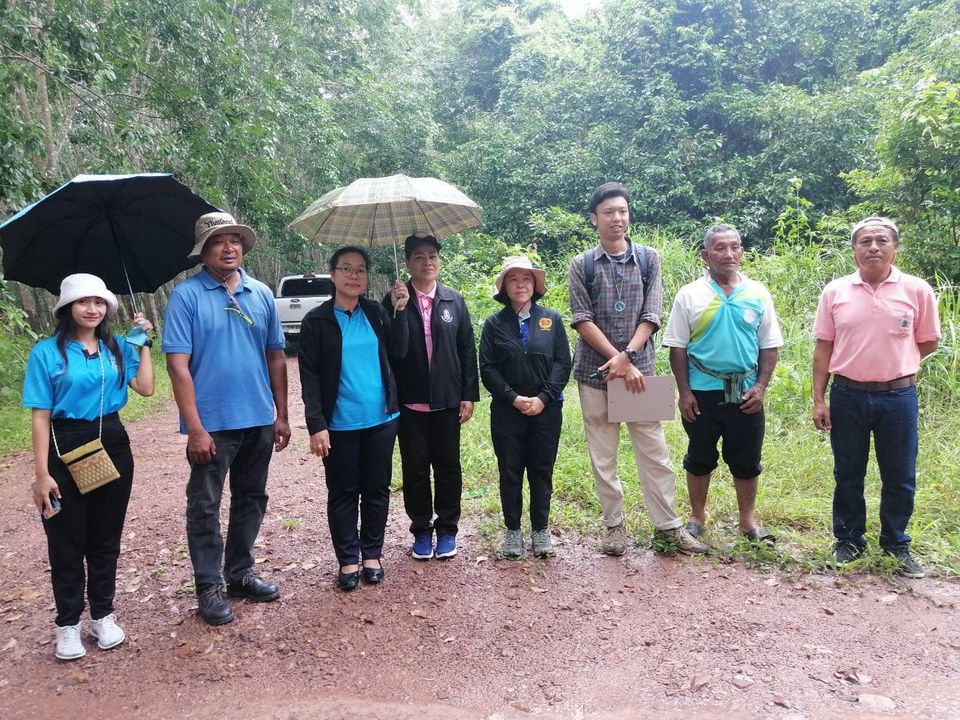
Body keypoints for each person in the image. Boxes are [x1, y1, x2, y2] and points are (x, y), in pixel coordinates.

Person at [163, 211, 290, 625]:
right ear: (204, 250)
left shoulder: (261, 293)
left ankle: (238, 573)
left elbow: (275, 356)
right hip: (212, 424)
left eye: (235, 239)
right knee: (205, 504)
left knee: (252, 498)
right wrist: (195, 427)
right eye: (219, 241)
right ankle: (207, 586)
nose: (229, 247)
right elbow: (177, 366)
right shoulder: (186, 296)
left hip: (257, 418)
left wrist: (282, 414)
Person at [568, 181, 707, 556]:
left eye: (622, 211)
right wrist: (617, 359)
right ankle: (614, 527)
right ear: (594, 218)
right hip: (594, 375)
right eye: (609, 212)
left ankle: (668, 527)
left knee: (654, 452)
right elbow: (581, 318)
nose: (617, 218)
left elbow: (652, 314)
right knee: (603, 455)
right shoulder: (581, 264)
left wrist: (626, 357)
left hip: (640, 373)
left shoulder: (648, 258)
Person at [23, 273, 155, 660]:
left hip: (111, 441)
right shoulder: (47, 353)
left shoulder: (117, 349)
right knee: (65, 539)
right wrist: (42, 474)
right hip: (63, 447)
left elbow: (145, 388)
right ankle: (67, 625)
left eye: (99, 302)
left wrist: (143, 344)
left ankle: (103, 614)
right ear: (67, 307)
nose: (92, 308)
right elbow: (39, 415)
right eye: (84, 302)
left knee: (104, 536)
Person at [812, 216, 940, 578]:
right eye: (865, 241)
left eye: (881, 240)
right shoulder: (835, 291)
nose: (873, 247)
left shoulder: (916, 290)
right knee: (848, 471)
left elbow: (928, 340)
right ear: (853, 249)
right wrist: (818, 399)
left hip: (898, 397)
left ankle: (896, 544)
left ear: (895, 247)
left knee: (900, 473)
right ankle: (849, 540)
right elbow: (823, 348)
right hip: (847, 394)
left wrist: (897, 363)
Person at [663, 224, 783, 545]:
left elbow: (769, 346)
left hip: (746, 392)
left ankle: (747, 523)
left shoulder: (758, 293)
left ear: (742, 252)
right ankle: (697, 519)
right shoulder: (690, 295)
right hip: (702, 393)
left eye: (734, 247)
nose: (728, 253)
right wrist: (684, 392)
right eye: (719, 248)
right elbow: (677, 347)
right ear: (706, 255)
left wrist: (760, 387)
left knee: (746, 460)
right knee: (699, 456)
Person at [299, 247, 409, 590]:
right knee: (343, 491)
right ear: (332, 274)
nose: (353, 276)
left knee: (376, 489)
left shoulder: (376, 312)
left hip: (382, 417)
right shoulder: (317, 321)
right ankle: (348, 559)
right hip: (340, 422)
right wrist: (316, 424)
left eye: (360, 270)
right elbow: (310, 377)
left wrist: (400, 311)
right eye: (346, 269)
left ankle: (372, 553)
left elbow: (400, 351)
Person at [383, 232, 479, 561]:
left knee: (449, 467)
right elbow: (392, 351)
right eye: (420, 256)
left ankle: (448, 528)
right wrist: (397, 310)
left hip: (448, 401)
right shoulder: (394, 299)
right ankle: (421, 530)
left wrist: (468, 394)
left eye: (433, 256)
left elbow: (467, 349)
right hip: (411, 403)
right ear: (408, 262)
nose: (428, 262)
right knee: (415, 469)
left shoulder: (454, 299)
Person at [479, 256, 571, 559]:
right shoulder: (494, 323)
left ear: (535, 285)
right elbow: (488, 367)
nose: (521, 285)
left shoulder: (551, 319)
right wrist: (512, 397)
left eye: (527, 279)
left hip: (547, 409)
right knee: (510, 470)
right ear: (505, 286)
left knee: (542, 469)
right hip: (507, 410)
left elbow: (562, 362)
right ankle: (513, 531)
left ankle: (540, 529)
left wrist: (543, 398)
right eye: (513, 279)